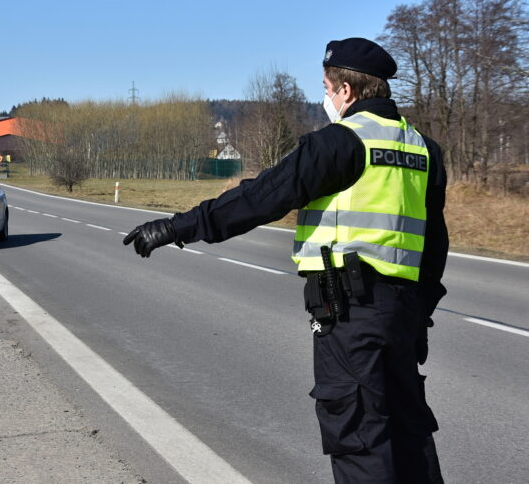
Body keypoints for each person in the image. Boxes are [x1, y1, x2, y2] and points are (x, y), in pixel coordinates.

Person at [123, 37, 447, 484]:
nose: (327, 98)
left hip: (350, 314)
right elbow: (434, 244)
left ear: (346, 91)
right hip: (403, 314)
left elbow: (262, 197)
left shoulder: (340, 142)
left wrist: (178, 227)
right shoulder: (423, 149)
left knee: (359, 439)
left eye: (327, 88)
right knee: (409, 438)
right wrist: (420, 316)